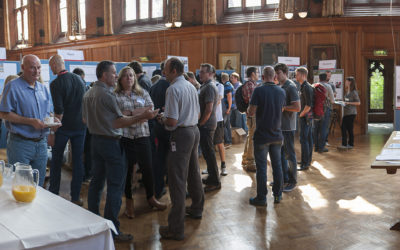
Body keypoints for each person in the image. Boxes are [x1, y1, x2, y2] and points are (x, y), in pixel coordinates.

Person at [82, 60, 158, 242]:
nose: (116, 76)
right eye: (114, 73)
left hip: (96, 141)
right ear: (104, 75)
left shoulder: (89, 93)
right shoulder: (107, 95)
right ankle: (113, 230)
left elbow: (85, 119)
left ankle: (93, 223)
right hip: (110, 142)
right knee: (115, 186)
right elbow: (119, 122)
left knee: (97, 183)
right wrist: (143, 116)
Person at [157, 57, 204, 241]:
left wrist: (161, 118)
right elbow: (198, 113)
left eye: (166, 69)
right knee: (193, 173)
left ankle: (176, 229)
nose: (164, 72)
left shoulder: (173, 89)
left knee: (177, 180)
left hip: (182, 134)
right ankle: (197, 208)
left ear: (174, 71)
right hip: (194, 130)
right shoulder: (191, 86)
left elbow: (172, 121)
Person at [115, 66, 166, 218]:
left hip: (143, 136)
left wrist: (130, 114)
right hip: (126, 138)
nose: (129, 78)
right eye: (126, 76)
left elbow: (150, 111)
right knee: (128, 171)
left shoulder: (142, 92)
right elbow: (118, 117)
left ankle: (151, 198)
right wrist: (139, 114)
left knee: (148, 168)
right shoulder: (116, 96)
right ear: (121, 79)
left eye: (131, 75)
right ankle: (129, 203)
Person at [0, 55, 54, 186]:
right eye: (32, 68)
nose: (37, 71)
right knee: (21, 184)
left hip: (41, 145)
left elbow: (49, 113)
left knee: (38, 184)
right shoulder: (12, 87)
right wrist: (31, 121)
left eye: (39, 67)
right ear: (23, 68)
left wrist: (53, 123)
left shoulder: (43, 88)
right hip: (20, 144)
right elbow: (4, 113)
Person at [48, 54, 87, 205]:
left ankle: (54, 194)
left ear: (56, 65)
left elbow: (59, 111)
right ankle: (75, 197)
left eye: (51, 66)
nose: (51, 69)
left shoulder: (55, 84)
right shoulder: (80, 79)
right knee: (78, 162)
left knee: (56, 162)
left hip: (63, 128)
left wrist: (53, 131)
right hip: (80, 127)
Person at [248, 66, 286, 206]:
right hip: (277, 135)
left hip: (262, 136)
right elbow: (281, 109)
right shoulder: (281, 91)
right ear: (275, 77)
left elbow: (251, 112)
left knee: (262, 168)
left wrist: (249, 110)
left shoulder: (258, 90)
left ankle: (262, 198)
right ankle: (277, 195)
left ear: (263, 77)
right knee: (277, 166)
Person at [274, 63, 300, 192]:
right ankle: (283, 178)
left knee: (290, 155)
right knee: (281, 154)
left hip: (288, 126)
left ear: (285, 72)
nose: (276, 76)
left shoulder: (291, 86)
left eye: (278, 73)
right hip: (280, 126)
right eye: (275, 73)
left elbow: (297, 107)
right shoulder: (281, 86)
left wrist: (283, 108)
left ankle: (292, 181)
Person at [149, 61, 170, 199]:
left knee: (159, 159)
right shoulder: (171, 87)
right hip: (169, 126)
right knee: (172, 158)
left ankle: (158, 188)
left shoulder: (154, 86)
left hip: (156, 127)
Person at [198, 63, 221, 192]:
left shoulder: (210, 87)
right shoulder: (205, 86)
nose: (200, 74)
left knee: (209, 153)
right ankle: (212, 177)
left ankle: (215, 181)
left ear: (211, 74)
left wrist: (200, 123)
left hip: (206, 125)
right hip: (205, 124)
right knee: (207, 153)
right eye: (200, 72)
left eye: (203, 72)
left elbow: (209, 109)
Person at [242, 67, 259, 172]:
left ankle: (245, 159)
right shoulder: (250, 85)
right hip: (253, 115)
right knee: (253, 138)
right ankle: (251, 162)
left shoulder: (251, 84)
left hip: (251, 115)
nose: (258, 74)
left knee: (250, 136)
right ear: (253, 74)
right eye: (257, 72)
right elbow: (253, 102)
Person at [296, 67, 314, 171]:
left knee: (304, 140)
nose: (296, 76)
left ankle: (305, 163)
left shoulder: (306, 87)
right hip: (307, 117)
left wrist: (300, 115)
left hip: (306, 117)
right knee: (308, 139)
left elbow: (308, 105)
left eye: (297, 74)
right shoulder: (304, 86)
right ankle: (306, 160)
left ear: (303, 75)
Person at [314, 73, 335, 153]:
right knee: (324, 128)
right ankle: (321, 147)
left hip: (316, 109)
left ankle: (316, 147)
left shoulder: (314, 85)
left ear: (319, 78)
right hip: (325, 109)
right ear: (326, 78)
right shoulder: (328, 86)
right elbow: (332, 101)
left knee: (316, 128)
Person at [338, 77, 360, 149]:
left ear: (350, 82)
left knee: (348, 128)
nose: (345, 82)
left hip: (351, 113)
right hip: (346, 113)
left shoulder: (354, 92)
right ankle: (346, 144)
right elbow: (346, 101)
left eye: (346, 81)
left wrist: (347, 102)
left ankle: (349, 144)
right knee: (344, 128)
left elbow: (358, 103)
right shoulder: (347, 91)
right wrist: (342, 102)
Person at [221, 72, 233, 148]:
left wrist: (228, 108)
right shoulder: (230, 85)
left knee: (224, 125)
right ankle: (229, 141)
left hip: (227, 108)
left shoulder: (227, 86)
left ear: (222, 79)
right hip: (228, 108)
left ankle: (228, 142)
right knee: (227, 125)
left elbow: (229, 97)